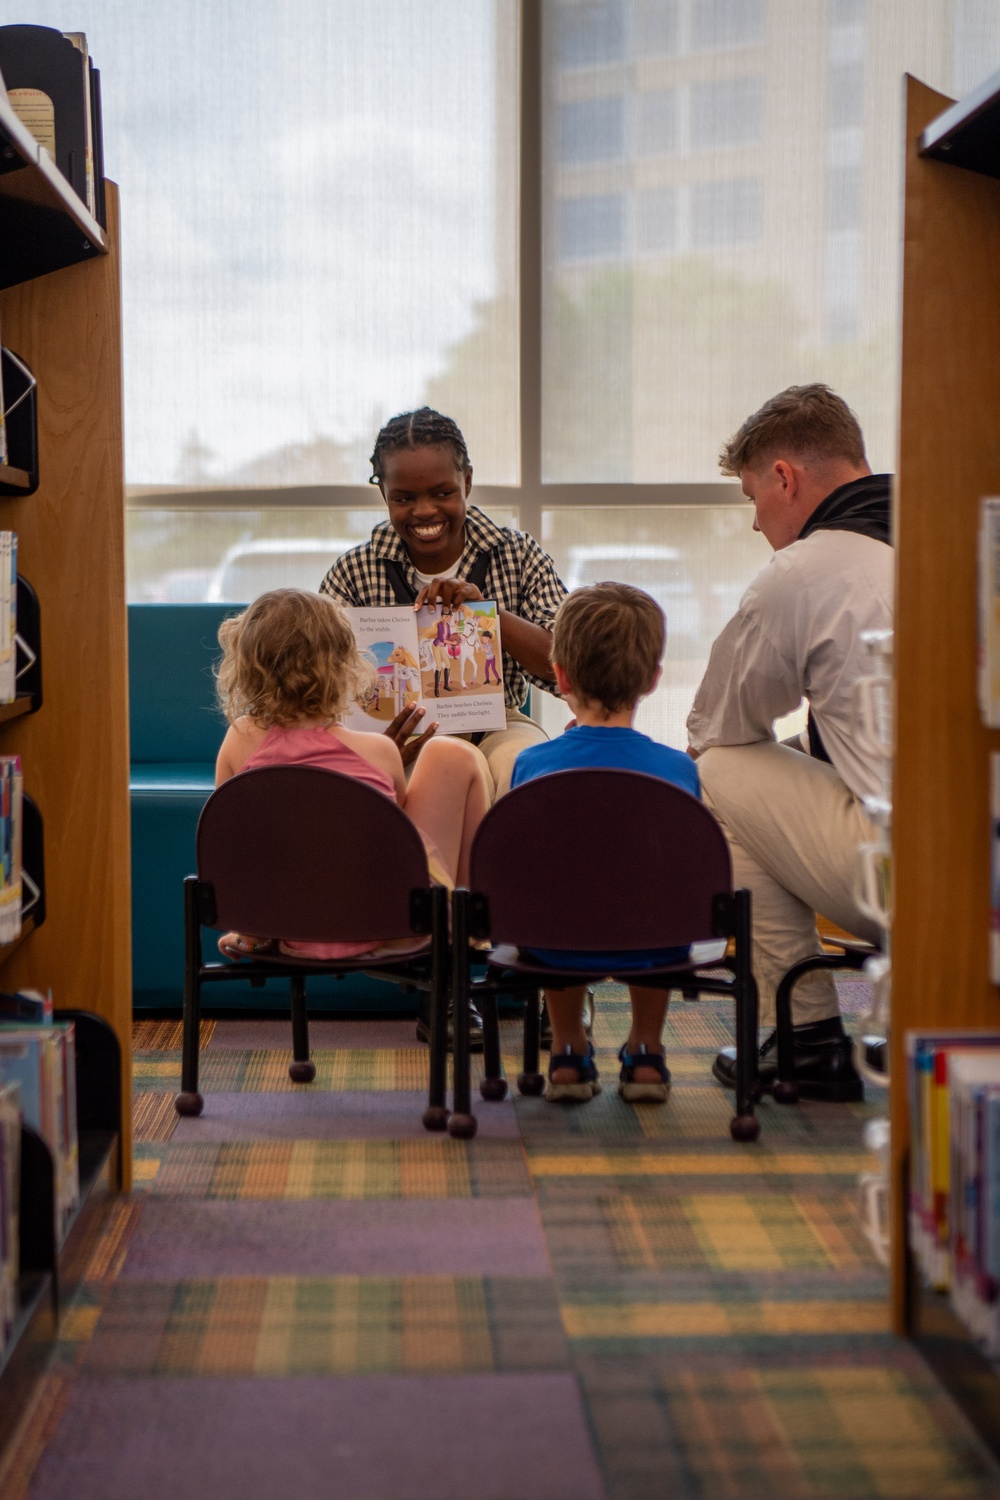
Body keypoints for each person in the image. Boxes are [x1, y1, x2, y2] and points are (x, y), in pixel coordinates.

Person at [686, 384, 893, 1101]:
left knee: (720, 769)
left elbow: (718, 727)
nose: (753, 523)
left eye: (751, 497)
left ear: (784, 477)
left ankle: (803, 1034)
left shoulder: (806, 570)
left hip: (905, 880)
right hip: (981, 875)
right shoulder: (957, 533)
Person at [212, 588, 489, 962]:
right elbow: (403, 840)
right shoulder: (378, 750)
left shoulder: (239, 739)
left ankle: (254, 933)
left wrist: (252, 923)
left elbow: (234, 847)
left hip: (285, 922)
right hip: (384, 924)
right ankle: (465, 933)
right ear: (344, 664)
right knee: (454, 755)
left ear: (246, 667)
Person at [511, 582, 706, 1105]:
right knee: (654, 901)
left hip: (554, 941)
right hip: (656, 942)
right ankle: (645, 1053)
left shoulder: (531, 765)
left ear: (560, 676)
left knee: (557, 897)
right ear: (652, 681)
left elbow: (526, 870)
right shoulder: (677, 770)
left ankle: (569, 1053)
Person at [320, 407, 567, 799]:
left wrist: (489, 615)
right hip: (397, 732)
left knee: (527, 769)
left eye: (442, 493)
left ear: (466, 482)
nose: (424, 511)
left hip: (499, 724)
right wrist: (377, 747)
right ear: (384, 492)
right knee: (421, 781)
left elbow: (565, 666)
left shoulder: (516, 554)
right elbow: (321, 684)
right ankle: (431, 863)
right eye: (404, 498)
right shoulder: (354, 570)